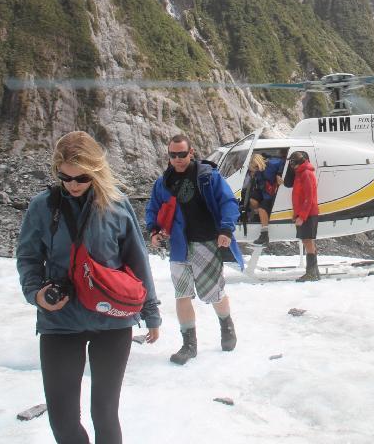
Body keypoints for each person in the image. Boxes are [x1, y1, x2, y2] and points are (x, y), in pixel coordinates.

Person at [16, 131, 161, 444]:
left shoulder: (117, 207)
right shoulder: (42, 207)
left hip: (112, 320)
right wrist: (36, 294)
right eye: (65, 178)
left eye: (81, 178)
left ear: (95, 170)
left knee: (105, 414)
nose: (73, 185)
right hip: (60, 321)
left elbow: (138, 261)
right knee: (62, 421)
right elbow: (28, 257)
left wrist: (151, 313)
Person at [145, 134, 243, 365]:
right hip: (179, 246)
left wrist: (226, 230)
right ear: (168, 156)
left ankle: (227, 326)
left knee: (214, 291)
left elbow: (228, 202)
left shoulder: (208, 177)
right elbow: (153, 208)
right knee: (182, 294)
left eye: (182, 154)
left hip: (206, 241)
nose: (177, 159)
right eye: (173, 155)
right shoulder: (163, 182)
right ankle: (189, 344)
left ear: (191, 152)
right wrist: (154, 231)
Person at [289, 150, 320, 282]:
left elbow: (309, 197)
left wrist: (302, 216)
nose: (292, 166)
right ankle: (314, 272)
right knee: (308, 240)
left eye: (293, 163)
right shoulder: (301, 173)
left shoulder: (306, 173)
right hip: (305, 213)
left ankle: (311, 273)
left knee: (307, 240)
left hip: (308, 213)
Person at [247, 153, 283, 245]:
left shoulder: (272, 163)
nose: (255, 169)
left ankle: (264, 234)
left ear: (259, 163)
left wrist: (279, 174)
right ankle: (258, 216)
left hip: (271, 193)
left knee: (262, 208)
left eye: (255, 167)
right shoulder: (257, 171)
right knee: (252, 200)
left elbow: (282, 162)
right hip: (263, 190)